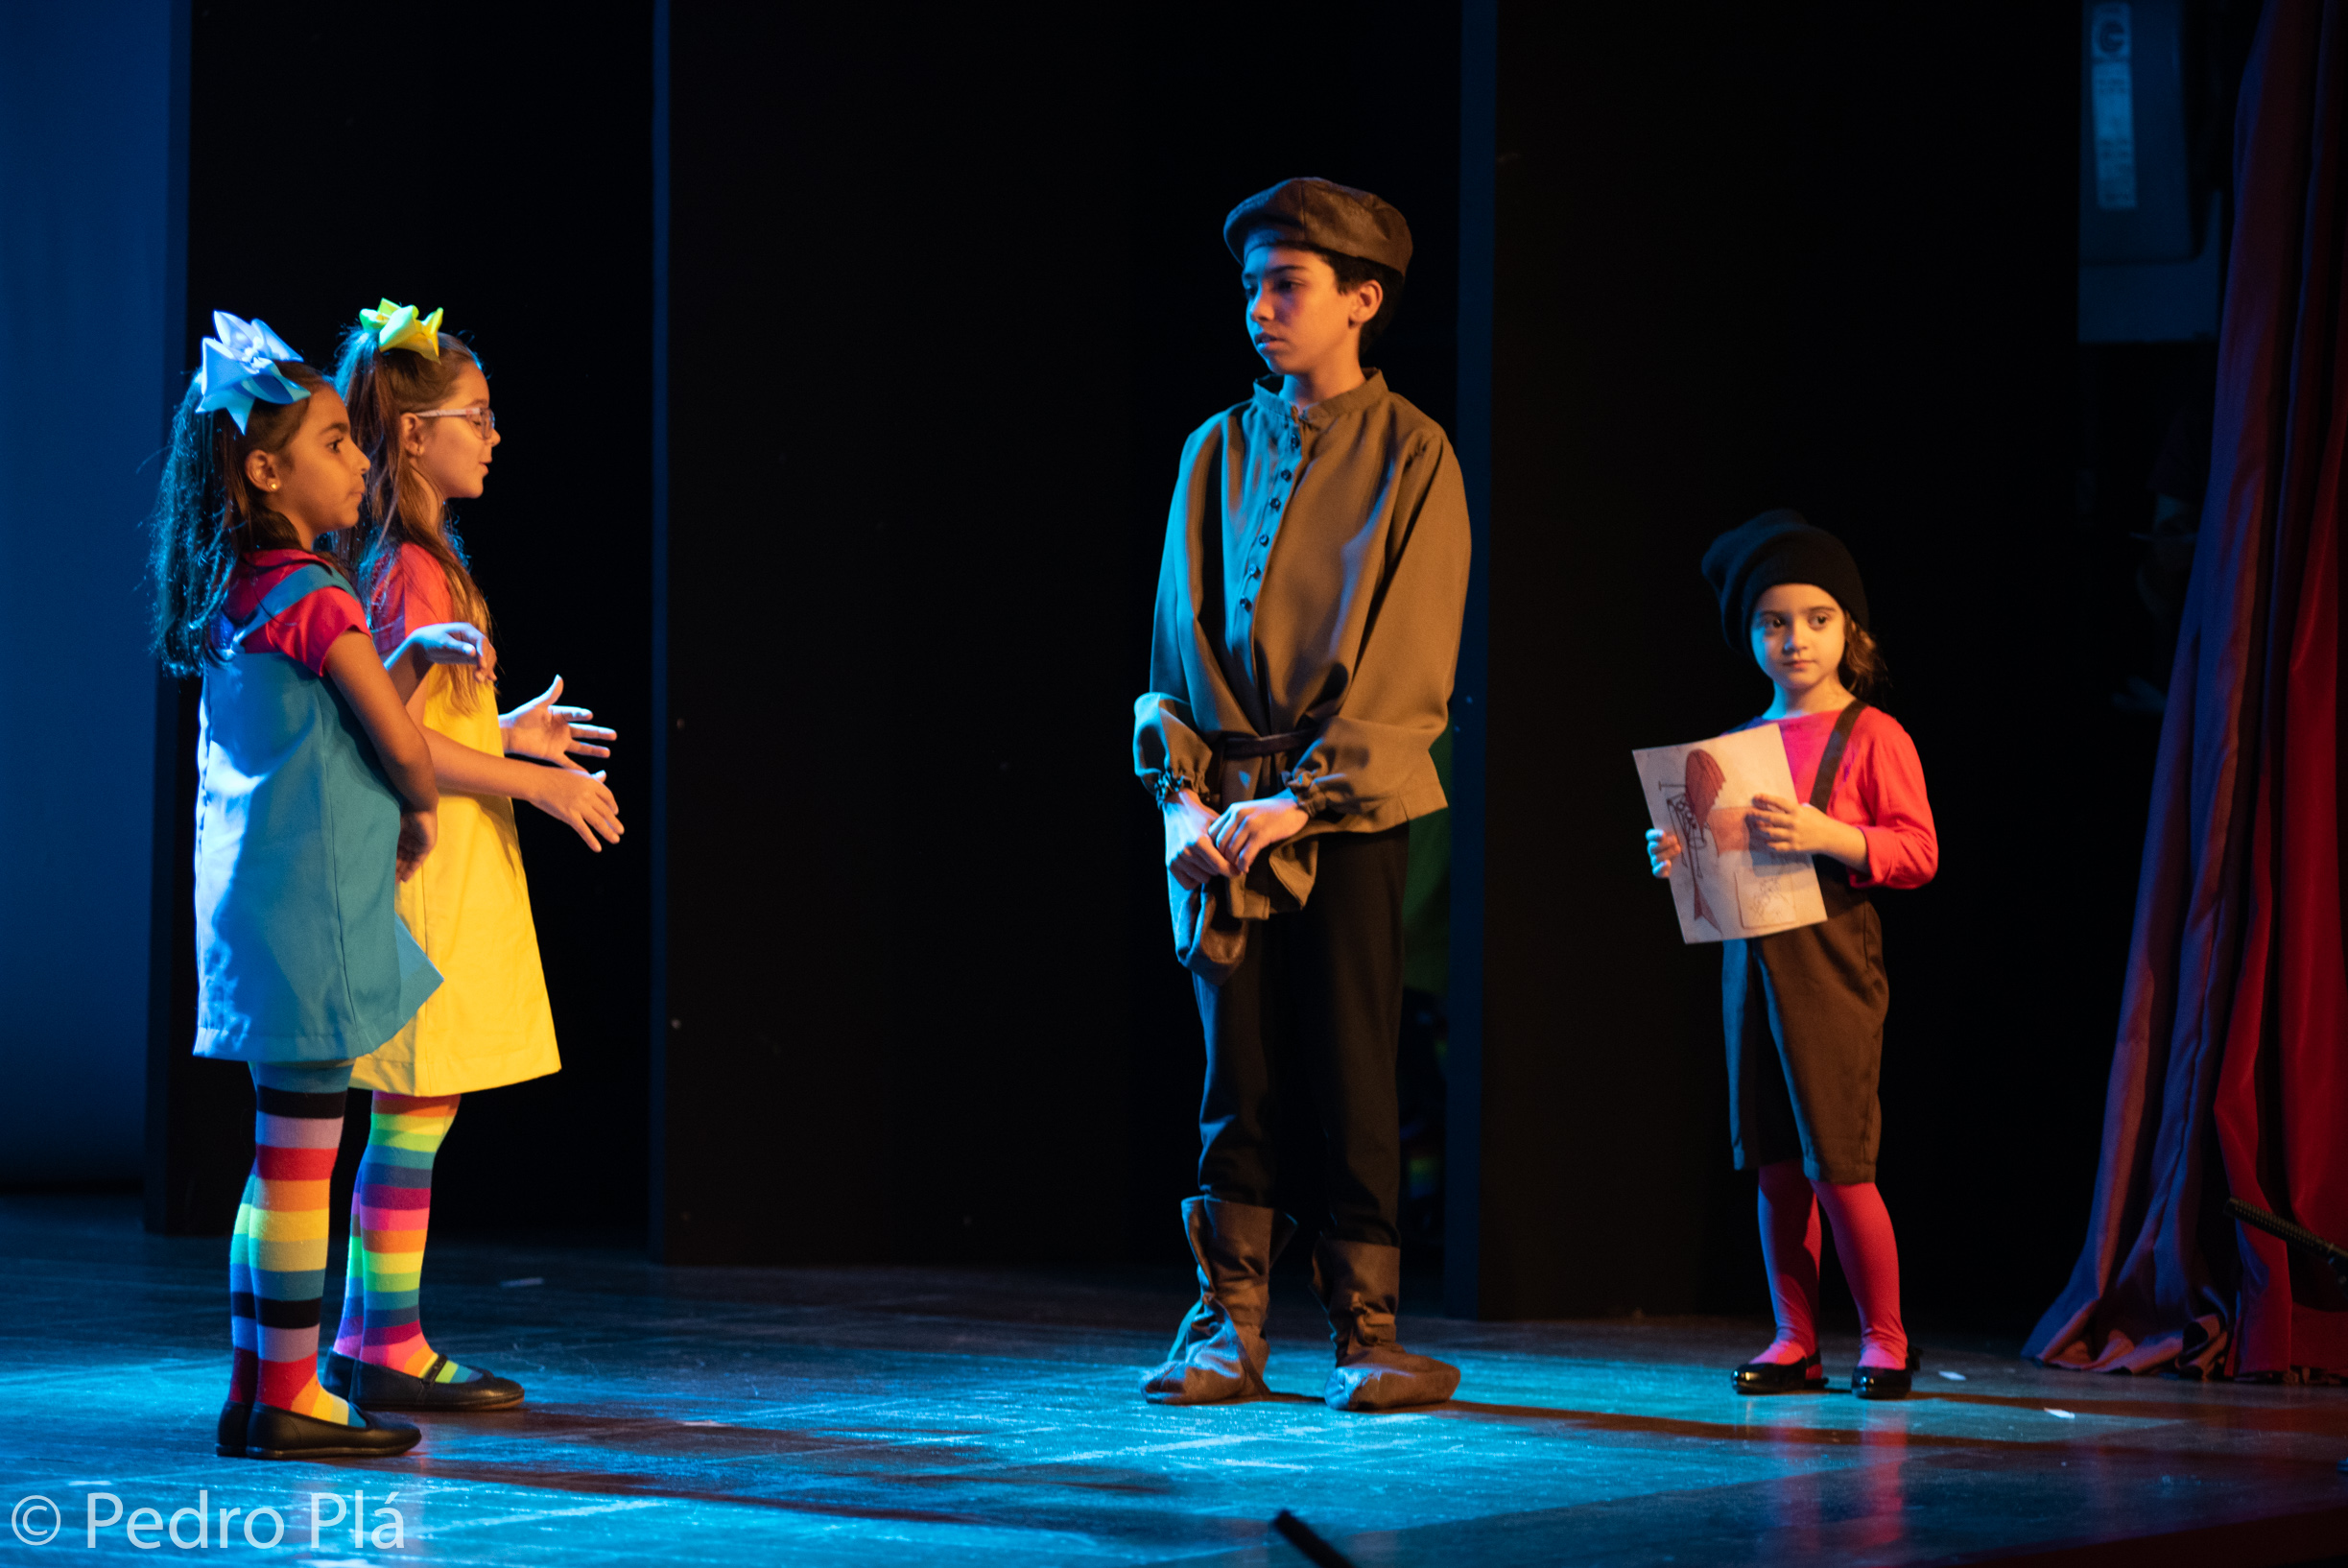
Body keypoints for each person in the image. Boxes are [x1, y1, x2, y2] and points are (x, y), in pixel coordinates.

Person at [1135, 178, 1470, 1412]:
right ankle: (1225, 1322)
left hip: (1346, 812)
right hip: (1222, 804)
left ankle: (1366, 1328)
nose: (1259, 308)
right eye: (1251, 287)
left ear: (1361, 300)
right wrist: (1180, 799)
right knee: (1237, 1068)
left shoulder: (1413, 451)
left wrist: (1307, 798)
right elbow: (1173, 643)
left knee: (1349, 1058)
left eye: (1287, 286)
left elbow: (1410, 660)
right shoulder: (1212, 450)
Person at [152, 313, 486, 1460]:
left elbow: (325, 706)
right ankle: (289, 1393)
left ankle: (263, 1387)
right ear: (265, 470)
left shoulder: (239, 591)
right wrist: (422, 805)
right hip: (314, 913)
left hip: (251, 916)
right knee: (303, 1163)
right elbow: (394, 738)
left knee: (279, 1156)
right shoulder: (319, 592)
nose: (356, 461)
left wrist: (405, 662)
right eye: (336, 443)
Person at [320, 299, 622, 1414]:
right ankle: (380, 1337)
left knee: (416, 1108)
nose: (494, 436)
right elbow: (400, 742)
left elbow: (431, 725)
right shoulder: (408, 567)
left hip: (442, 858)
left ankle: (374, 1332)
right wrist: (537, 781)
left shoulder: (418, 557)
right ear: (415, 434)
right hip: (429, 867)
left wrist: (508, 730)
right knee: (413, 1105)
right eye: (476, 416)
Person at [1644, 511, 1939, 1400]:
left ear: (1849, 628)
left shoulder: (1873, 734)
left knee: (1837, 1160)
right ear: (1749, 637)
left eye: (1815, 619)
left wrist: (1828, 834)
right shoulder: (1735, 750)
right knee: (1774, 1164)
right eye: (1772, 622)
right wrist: (1678, 855)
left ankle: (1884, 1339)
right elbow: (1720, 864)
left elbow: (1917, 852)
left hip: (1831, 966)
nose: (1795, 639)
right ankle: (1793, 1339)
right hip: (1751, 966)